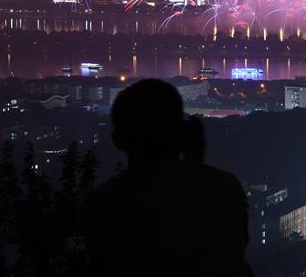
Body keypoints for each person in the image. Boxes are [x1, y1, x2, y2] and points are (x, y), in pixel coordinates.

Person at [83, 79, 251, 277]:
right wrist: (195, 161)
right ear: (183, 133)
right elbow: (234, 257)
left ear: (118, 141)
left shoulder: (100, 205)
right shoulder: (224, 189)